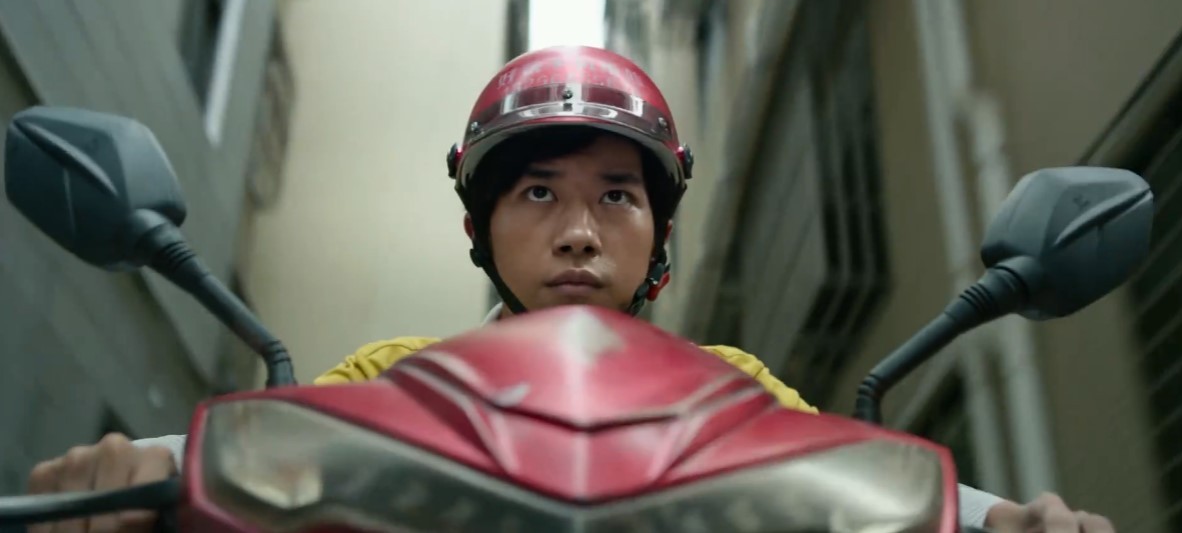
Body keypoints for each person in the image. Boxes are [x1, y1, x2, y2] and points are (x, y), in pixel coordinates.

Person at [25, 46, 1114, 533]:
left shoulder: (742, 387)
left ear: (659, 235)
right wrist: (131, 474)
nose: (581, 231)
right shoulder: (385, 378)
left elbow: (845, 484)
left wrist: (1011, 521)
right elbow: (268, 461)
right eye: (539, 192)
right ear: (482, 228)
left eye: (617, 197)